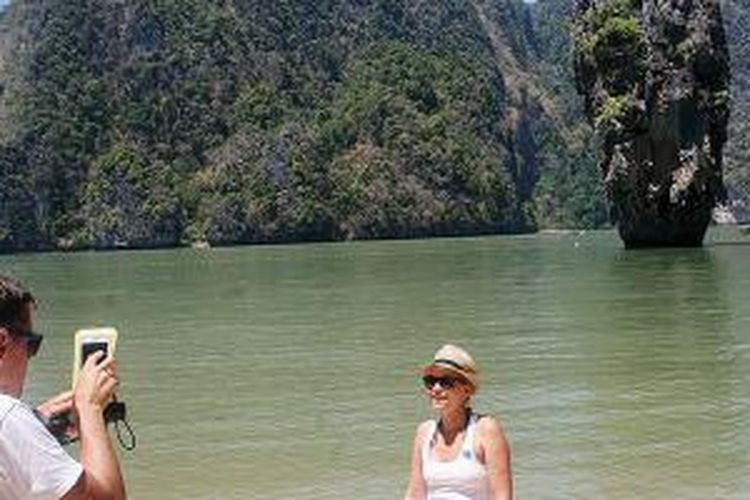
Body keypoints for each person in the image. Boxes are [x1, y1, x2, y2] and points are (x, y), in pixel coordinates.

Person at [0, 273, 126, 499]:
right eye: (32, 344)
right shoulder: (6, 417)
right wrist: (90, 409)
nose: (32, 357)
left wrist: (36, 424)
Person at [404, 344, 512, 500]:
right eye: (430, 381)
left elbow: (502, 496)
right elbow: (414, 495)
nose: (436, 389)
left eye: (445, 381)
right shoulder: (424, 432)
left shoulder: (486, 429)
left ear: (467, 389)